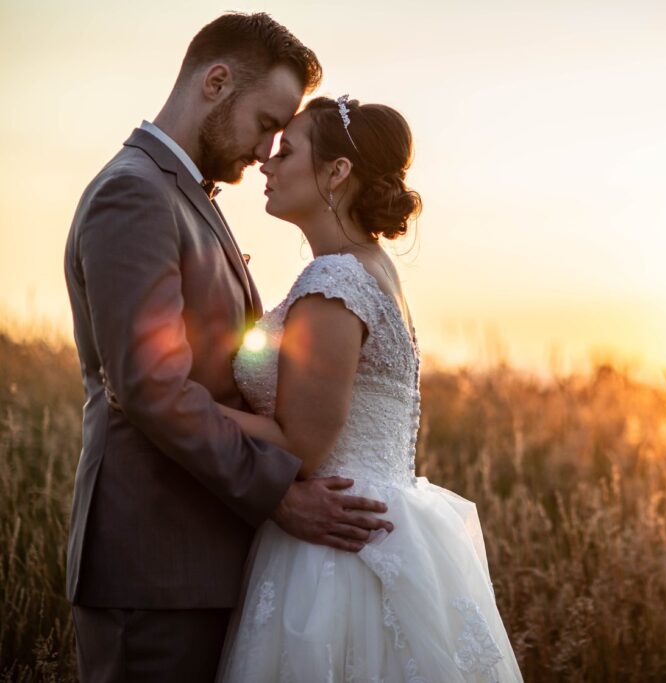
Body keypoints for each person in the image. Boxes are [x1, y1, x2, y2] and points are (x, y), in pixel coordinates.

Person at [63, 14, 392, 682]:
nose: (267, 148)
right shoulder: (136, 194)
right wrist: (279, 494)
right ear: (216, 83)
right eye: (267, 121)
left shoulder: (185, 197)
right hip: (153, 568)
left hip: (198, 563)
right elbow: (149, 385)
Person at [214, 95, 523, 682]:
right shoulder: (369, 268)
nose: (266, 165)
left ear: (337, 172)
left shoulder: (334, 281)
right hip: (378, 527)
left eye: (287, 151)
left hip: (334, 550)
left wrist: (186, 406)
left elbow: (298, 443)